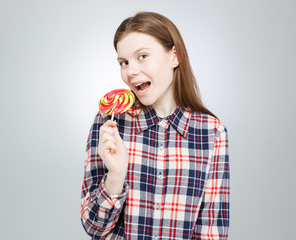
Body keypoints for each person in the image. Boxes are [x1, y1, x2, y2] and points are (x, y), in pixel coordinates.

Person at [81, 11, 229, 239]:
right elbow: (94, 228)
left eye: (142, 56)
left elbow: (212, 230)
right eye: (124, 62)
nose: (131, 71)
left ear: (174, 57)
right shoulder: (109, 122)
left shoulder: (211, 132)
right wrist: (116, 176)